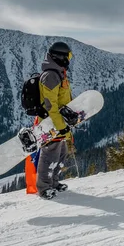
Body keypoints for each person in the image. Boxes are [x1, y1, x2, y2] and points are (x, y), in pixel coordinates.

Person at [36, 41, 77, 199]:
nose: (69, 59)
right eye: (67, 56)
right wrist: (60, 126)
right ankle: (44, 187)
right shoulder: (51, 76)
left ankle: (53, 182)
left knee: (61, 153)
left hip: (59, 122)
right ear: (60, 56)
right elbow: (50, 105)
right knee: (49, 155)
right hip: (50, 123)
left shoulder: (59, 72)